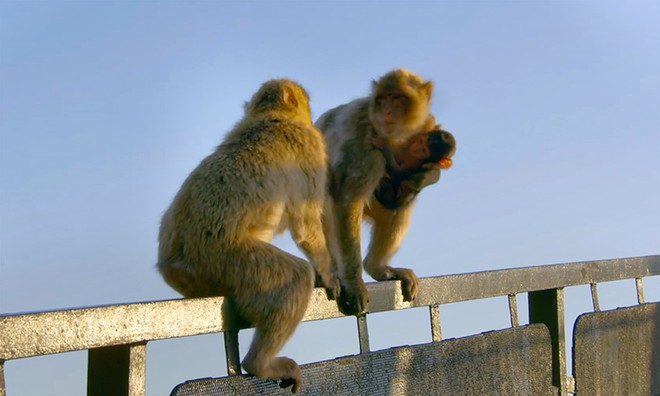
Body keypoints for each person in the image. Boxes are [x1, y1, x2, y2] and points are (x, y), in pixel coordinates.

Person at [373, 129, 455, 209]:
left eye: (423, 151)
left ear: (430, 161)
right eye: (420, 141)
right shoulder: (416, 150)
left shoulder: (423, 172)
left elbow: (397, 173)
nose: (416, 148)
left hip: (393, 195)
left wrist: (385, 149)